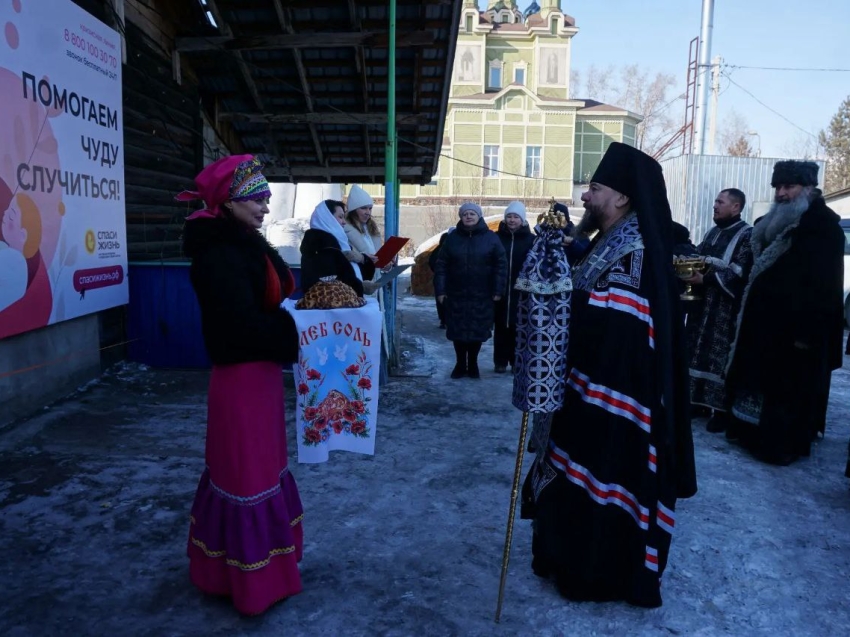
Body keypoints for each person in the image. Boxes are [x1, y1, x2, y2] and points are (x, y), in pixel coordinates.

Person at [521, 142, 697, 608]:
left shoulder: (635, 251)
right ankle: (563, 558)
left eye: (594, 189)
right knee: (572, 481)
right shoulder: (613, 239)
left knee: (598, 489)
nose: (584, 197)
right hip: (585, 389)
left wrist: (554, 298)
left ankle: (592, 575)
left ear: (621, 197)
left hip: (615, 401)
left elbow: (618, 327)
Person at [178, 155, 304, 615]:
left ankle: (256, 569)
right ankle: (249, 583)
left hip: (261, 375)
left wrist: (291, 321)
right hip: (241, 378)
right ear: (228, 202)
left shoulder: (245, 243)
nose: (266, 206)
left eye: (267, 196)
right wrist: (295, 331)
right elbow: (235, 332)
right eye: (256, 197)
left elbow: (266, 306)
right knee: (245, 475)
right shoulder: (217, 256)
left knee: (262, 470)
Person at [726, 161, 845, 465]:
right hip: (761, 324)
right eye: (778, 187)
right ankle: (747, 433)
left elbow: (826, 287)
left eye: (789, 187)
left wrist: (808, 334)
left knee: (787, 391)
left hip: (795, 331)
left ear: (808, 189)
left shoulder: (822, 228)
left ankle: (779, 446)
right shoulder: (769, 222)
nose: (782, 193)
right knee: (755, 382)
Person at [684, 189, 753, 433]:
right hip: (702, 303)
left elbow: (740, 271)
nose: (715, 206)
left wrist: (707, 279)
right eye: (715, 201)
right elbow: (700, 256)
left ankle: (721, 410)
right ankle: (697, 402)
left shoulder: (747, 235)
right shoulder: (713, 231)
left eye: (720, 202)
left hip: (725, 308)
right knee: (695, 350)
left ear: (736, 207)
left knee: (719, 357)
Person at [434, 202, 507, 379]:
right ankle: (460, 364)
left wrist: (498, 290)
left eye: (472, 214)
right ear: (461, 217)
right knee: (458, 331)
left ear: (479, 216)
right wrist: (441, 291)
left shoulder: (491, 238)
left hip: (482, 294)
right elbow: (441, 265)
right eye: (465, 214)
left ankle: (473, 364)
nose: (468, 216)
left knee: (476, 330)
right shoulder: (452, 238)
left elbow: (501, 265)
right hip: (456, 293)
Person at [300, 199, 376, 297]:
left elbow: (350, 271)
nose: (344, 222)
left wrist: (364, 259)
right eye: (340, 217)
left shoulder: (337, 241)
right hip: (333, 306)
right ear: (328, 218)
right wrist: (360, 287)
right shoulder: (323, 244)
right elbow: (333, 281)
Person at [494, 201, 535, 373]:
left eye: (515, 217)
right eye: (509, 217)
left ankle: (516, 362)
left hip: (522, 290)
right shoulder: (496, 238)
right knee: (501, 326)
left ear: (522, 219)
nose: (511, 220)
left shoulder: (531, 240)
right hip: (501, 289)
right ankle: (500, 361)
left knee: (519, 327)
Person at [344, 185, 386, 295]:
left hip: (375, 282)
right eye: (363, 208)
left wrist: (386, 263)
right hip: (358, 283)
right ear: (353, 211)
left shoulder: (371, 230)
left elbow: (376, 256)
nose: (368, 212)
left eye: (370, 208)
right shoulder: (344, 231)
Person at [428, 231, 450, 329]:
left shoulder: (437, 250)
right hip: (449, 279)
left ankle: (443, 321)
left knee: (441, 300)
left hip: (439, 279)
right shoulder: (451, 249)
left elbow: (431, 263)